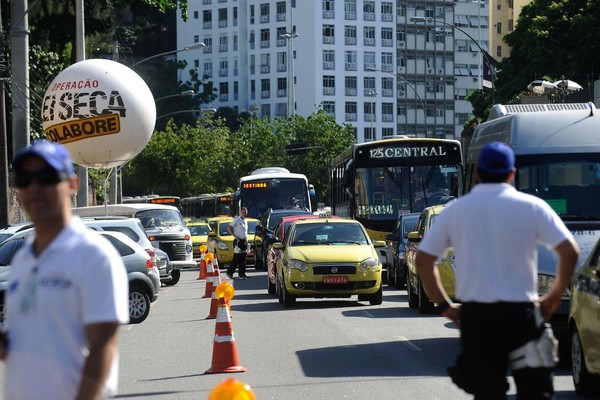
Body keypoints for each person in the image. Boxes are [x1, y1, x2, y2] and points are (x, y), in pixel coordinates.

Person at [415, 141, 579, 400]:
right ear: (512, 174)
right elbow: (570, 251)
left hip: (477, 318)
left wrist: (445, 305)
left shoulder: (456, 211)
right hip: (521, 315)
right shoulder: (532, 207)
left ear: (478, 173)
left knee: (487, 392)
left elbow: (423, 260)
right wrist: (554, 296)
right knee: (536, 390)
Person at [0, 140, 129, 399]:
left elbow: (102, 348)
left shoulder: (94, 255)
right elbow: (20, 342)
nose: (34, 187)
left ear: (72, 184)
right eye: (24, 179)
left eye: (47, 177)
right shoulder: (25, 258)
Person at [226, 207, 250, 279]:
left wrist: (246, 240)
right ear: (240, 213)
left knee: (243, 258)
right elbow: (229, 227)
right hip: (238, 241)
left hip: (244, 241)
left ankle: (242, 274)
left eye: (245, 212)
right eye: (243, 212)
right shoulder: (237, 220)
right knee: (236, 258)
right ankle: (229, 272)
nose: (244, 214)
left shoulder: (245, 221)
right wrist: (235, 237)